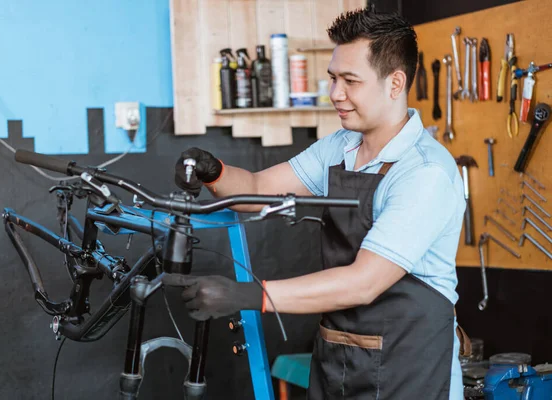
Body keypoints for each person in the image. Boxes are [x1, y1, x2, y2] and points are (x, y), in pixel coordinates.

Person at [163, 7, 471, 400]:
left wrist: (250, 296)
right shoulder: (339, 148)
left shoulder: (425, 172)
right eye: (332, 78)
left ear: (395, 83)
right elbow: (257, 188)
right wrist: (212, 171)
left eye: (350, 81)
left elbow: (364, 282)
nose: (335, 94)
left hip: (409, 370)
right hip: (340, 358)